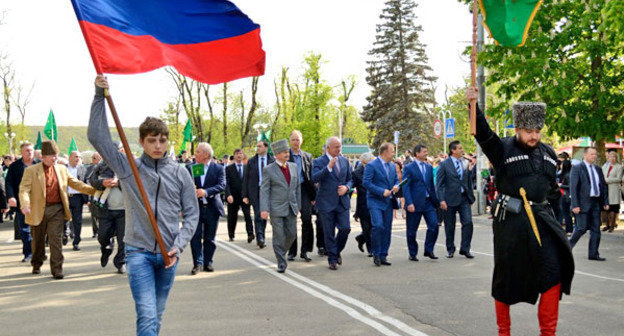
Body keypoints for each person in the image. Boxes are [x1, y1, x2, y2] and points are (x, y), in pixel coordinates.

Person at [89, 75, 199, 335]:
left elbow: (192, 215)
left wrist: (178, 245)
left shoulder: (181, 172)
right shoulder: (129, 168)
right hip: (138, 253)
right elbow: (97, 135)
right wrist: (98, 96)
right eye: (151, 140)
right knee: (147, 315)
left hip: (169, 255)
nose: (158, 145)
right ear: (141, 142)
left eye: (162, 140)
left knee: (156, 316)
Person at [468, 87, 574, 336]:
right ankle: (504, 332)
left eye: (537, 131)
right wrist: (472, 104)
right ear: (517, 128)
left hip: (543, 221)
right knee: (506, 278)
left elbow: (553, 193)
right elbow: (482, 133)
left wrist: (561, 224)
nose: (534, 136)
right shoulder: (502, 148)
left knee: (554, 272)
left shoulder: (548, 153)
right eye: (529, 131)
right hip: (511, 223)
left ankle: (548, 333)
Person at [19, 140, 95, 279]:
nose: (55, 158)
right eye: (52, 156)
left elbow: (76, 183)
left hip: (57, 210)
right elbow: (24, 189)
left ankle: (57, 269)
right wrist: (25, 204)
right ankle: (37, 263)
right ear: (44, 157)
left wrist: (94, 191)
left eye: (56, 155)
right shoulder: (31, 171)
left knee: (56, 240)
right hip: (37, 211)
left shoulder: (62, 169)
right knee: (38, 242)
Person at [311, 137, 353, 270]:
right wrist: (328, 167)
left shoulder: (345, 160)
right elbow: (314, 178)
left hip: (342, 202)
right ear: (328, 148)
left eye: (340, 146)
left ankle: (335, 251)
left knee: (345, 229)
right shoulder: (318, 161)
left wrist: (346, 188)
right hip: (326, 202)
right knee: (328, 233)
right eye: (336, 147)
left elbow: (351, 179)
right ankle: (332, 260)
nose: (339, 149)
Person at [260, 139, 301, 273]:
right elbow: (264, 190)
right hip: (276, 208)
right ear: (276, 154)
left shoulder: (293, 167)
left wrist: (298, 205)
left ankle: (281, 252)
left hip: (291, 207)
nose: (287, 154)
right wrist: (264, 209)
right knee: (279, 235)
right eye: (284, 152)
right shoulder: (268, 169)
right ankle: (281, 262)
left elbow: (297, 188)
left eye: (287, 151)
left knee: (292, 234)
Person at [187, 143, 225, 274]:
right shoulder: (193, 168)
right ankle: (197, 263)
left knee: (210, 237)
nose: (195, 154)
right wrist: (190, 188)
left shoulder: (218, 168)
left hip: (212, 208)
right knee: (195, 236)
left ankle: (207, 262)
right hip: (195, 208)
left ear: (206, 155)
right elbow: (185, 185)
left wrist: (206, 192)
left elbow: (221, 185)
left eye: (198, 152)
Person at [89, 142, 126, 274]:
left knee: (124, 240)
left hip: (124, 211)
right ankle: (106, 250)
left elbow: (135, 182)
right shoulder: (100, 166)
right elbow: (92, 180)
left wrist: (119, 183)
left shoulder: (127, 166)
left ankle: (120, 262)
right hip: (105, 210)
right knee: (103, 236)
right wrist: (102, 183)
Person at [436, 140, 475, 259]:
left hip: (464, 199)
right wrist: (441, 200)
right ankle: (450, 249)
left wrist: (471, 197)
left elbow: (468, 181)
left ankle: (465, 249)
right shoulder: (444, 164)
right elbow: (439, 184)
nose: (462, 150)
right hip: (449, 199)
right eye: (459, 148)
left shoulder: (465, 162)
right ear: (453, 150)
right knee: (450, 226)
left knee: (468, 223)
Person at [569, 147, 609, 261]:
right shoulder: (577, 168)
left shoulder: (598, 169)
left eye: (595, 154)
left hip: (595, 202)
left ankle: (593, 254)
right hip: (582, 203)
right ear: (585, 155)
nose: (594, 156)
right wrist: (575, 205)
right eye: (591, 154)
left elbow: (603, 187)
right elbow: (573, 188)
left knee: (596, 229)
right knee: (581, 228)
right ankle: (566, 248)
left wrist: (605, 202)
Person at [363, 142, 399, 266]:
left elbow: (396, 180)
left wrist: (396, 186)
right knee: (378, 226)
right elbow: (366, 183)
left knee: (387, 228)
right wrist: (381, 191)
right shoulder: (371, 165)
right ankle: (376, 253)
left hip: (388, 202)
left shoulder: (392, 166)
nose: (394, 153)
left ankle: (384, 255)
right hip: (375, 201)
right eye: (392, 151)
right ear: (385, 152)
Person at [402, 144, 440, 261]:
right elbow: (406, 187)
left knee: (434, 225)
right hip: (414, 202)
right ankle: (412, 252)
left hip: (428, 202)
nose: (426, 153)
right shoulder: (409, 168)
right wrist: (409, 203)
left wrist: (436, 201)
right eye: (424, 152)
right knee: (412, 231)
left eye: (426, 151)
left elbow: (431, 186)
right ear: (417, 153)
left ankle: (429, 249)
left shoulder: (429, 167)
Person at [286, 130, 317, 262]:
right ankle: (292, 251)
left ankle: (305, 251)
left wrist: (313, 197)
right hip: (290, 190)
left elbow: (311, 176)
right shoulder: (285, 155)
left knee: (307, 219)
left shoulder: (307, 156)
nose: (295, 142)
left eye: (298, 139)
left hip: (304, 189)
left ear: (301, 141)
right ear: (290, 141)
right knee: (291, 221)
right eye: (293, 139)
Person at [5, 142, 39, 261]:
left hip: (38, 201)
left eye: (31, 150)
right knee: (24, 230)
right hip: (22, 202)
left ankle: (38, 252)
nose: (29, 152)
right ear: (21, 152)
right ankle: (28, 253)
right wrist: (10, 197)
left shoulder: (40, 164)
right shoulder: (15, 166)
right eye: (26, 151)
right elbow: (8, 182)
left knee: (38, 229)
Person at [242, 140, 274, 248]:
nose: (258, 148)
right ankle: (260, 237)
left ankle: (262, 235)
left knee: (263, 214)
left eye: (260, 146)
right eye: (257, 146)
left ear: (266, 148)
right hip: (255, 190)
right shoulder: (251, 161)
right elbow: (246, 178)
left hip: (268, 190)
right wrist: (245, 195)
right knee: (257, 213)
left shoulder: (272, 160)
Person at [225, 148, 253, 242]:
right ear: (234, 156)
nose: (239, 155)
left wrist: (249, 195)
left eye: (241, 153)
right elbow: (226, 183)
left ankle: (250, 234)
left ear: (243, 155)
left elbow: (250, 182)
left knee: (247, 215)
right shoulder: (229, 168)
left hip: (245, 196)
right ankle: (231, 235)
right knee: (232, 217)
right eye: (237, 154)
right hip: (233, 196)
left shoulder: (247, 168)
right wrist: (228, 194)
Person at [352, 152, 374, 257]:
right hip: (363, 205)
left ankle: (361, 238)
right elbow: (351, 187)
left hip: (375, 203)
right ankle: (371, 250)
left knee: (374, 227)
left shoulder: (375, 170)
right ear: (363, 163)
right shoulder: (357, 173)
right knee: (366, 229)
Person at [66, 150, 89, 250]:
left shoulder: (82, 169)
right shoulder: (63, 169)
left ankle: (76, 241)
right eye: (75, 156)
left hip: (77, 198)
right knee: (64, 218)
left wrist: (88, 199)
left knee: (77, 220)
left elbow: (86, 183)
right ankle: (65, 234)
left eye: (79, 157)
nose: (78, 159)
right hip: (65, 197)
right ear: (70, 157)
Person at [602, 149, 622, 232]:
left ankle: (612, 225)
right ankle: (607, 224)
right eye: (610, 157)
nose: (612, 158)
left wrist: (607, 180)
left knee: (613, 208)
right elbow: (602, 174)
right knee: (606, 207)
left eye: (613, 157)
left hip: (614, 189)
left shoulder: (619, 167)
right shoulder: (605, 166)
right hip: (605, 188)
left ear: (616, 158)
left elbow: (619, 178)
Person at [86, 151, 102, 238]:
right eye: (92, 158)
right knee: (93, 214)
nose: (93, 159)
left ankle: (102, 230)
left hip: (102, 194)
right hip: (92, 193)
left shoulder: (103, 167)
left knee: (101, 213)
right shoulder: (89, 169)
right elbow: (86, 179)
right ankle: (95, 231)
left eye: (95, 158)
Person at [559, 160, 574, 235]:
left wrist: (560, 185)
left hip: (566, 196)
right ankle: (569, 229)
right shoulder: (566, 174)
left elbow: (570, 186)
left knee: (566, 213)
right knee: (566, 213)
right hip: (564, 195)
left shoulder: (568, 175)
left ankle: (569, 229)